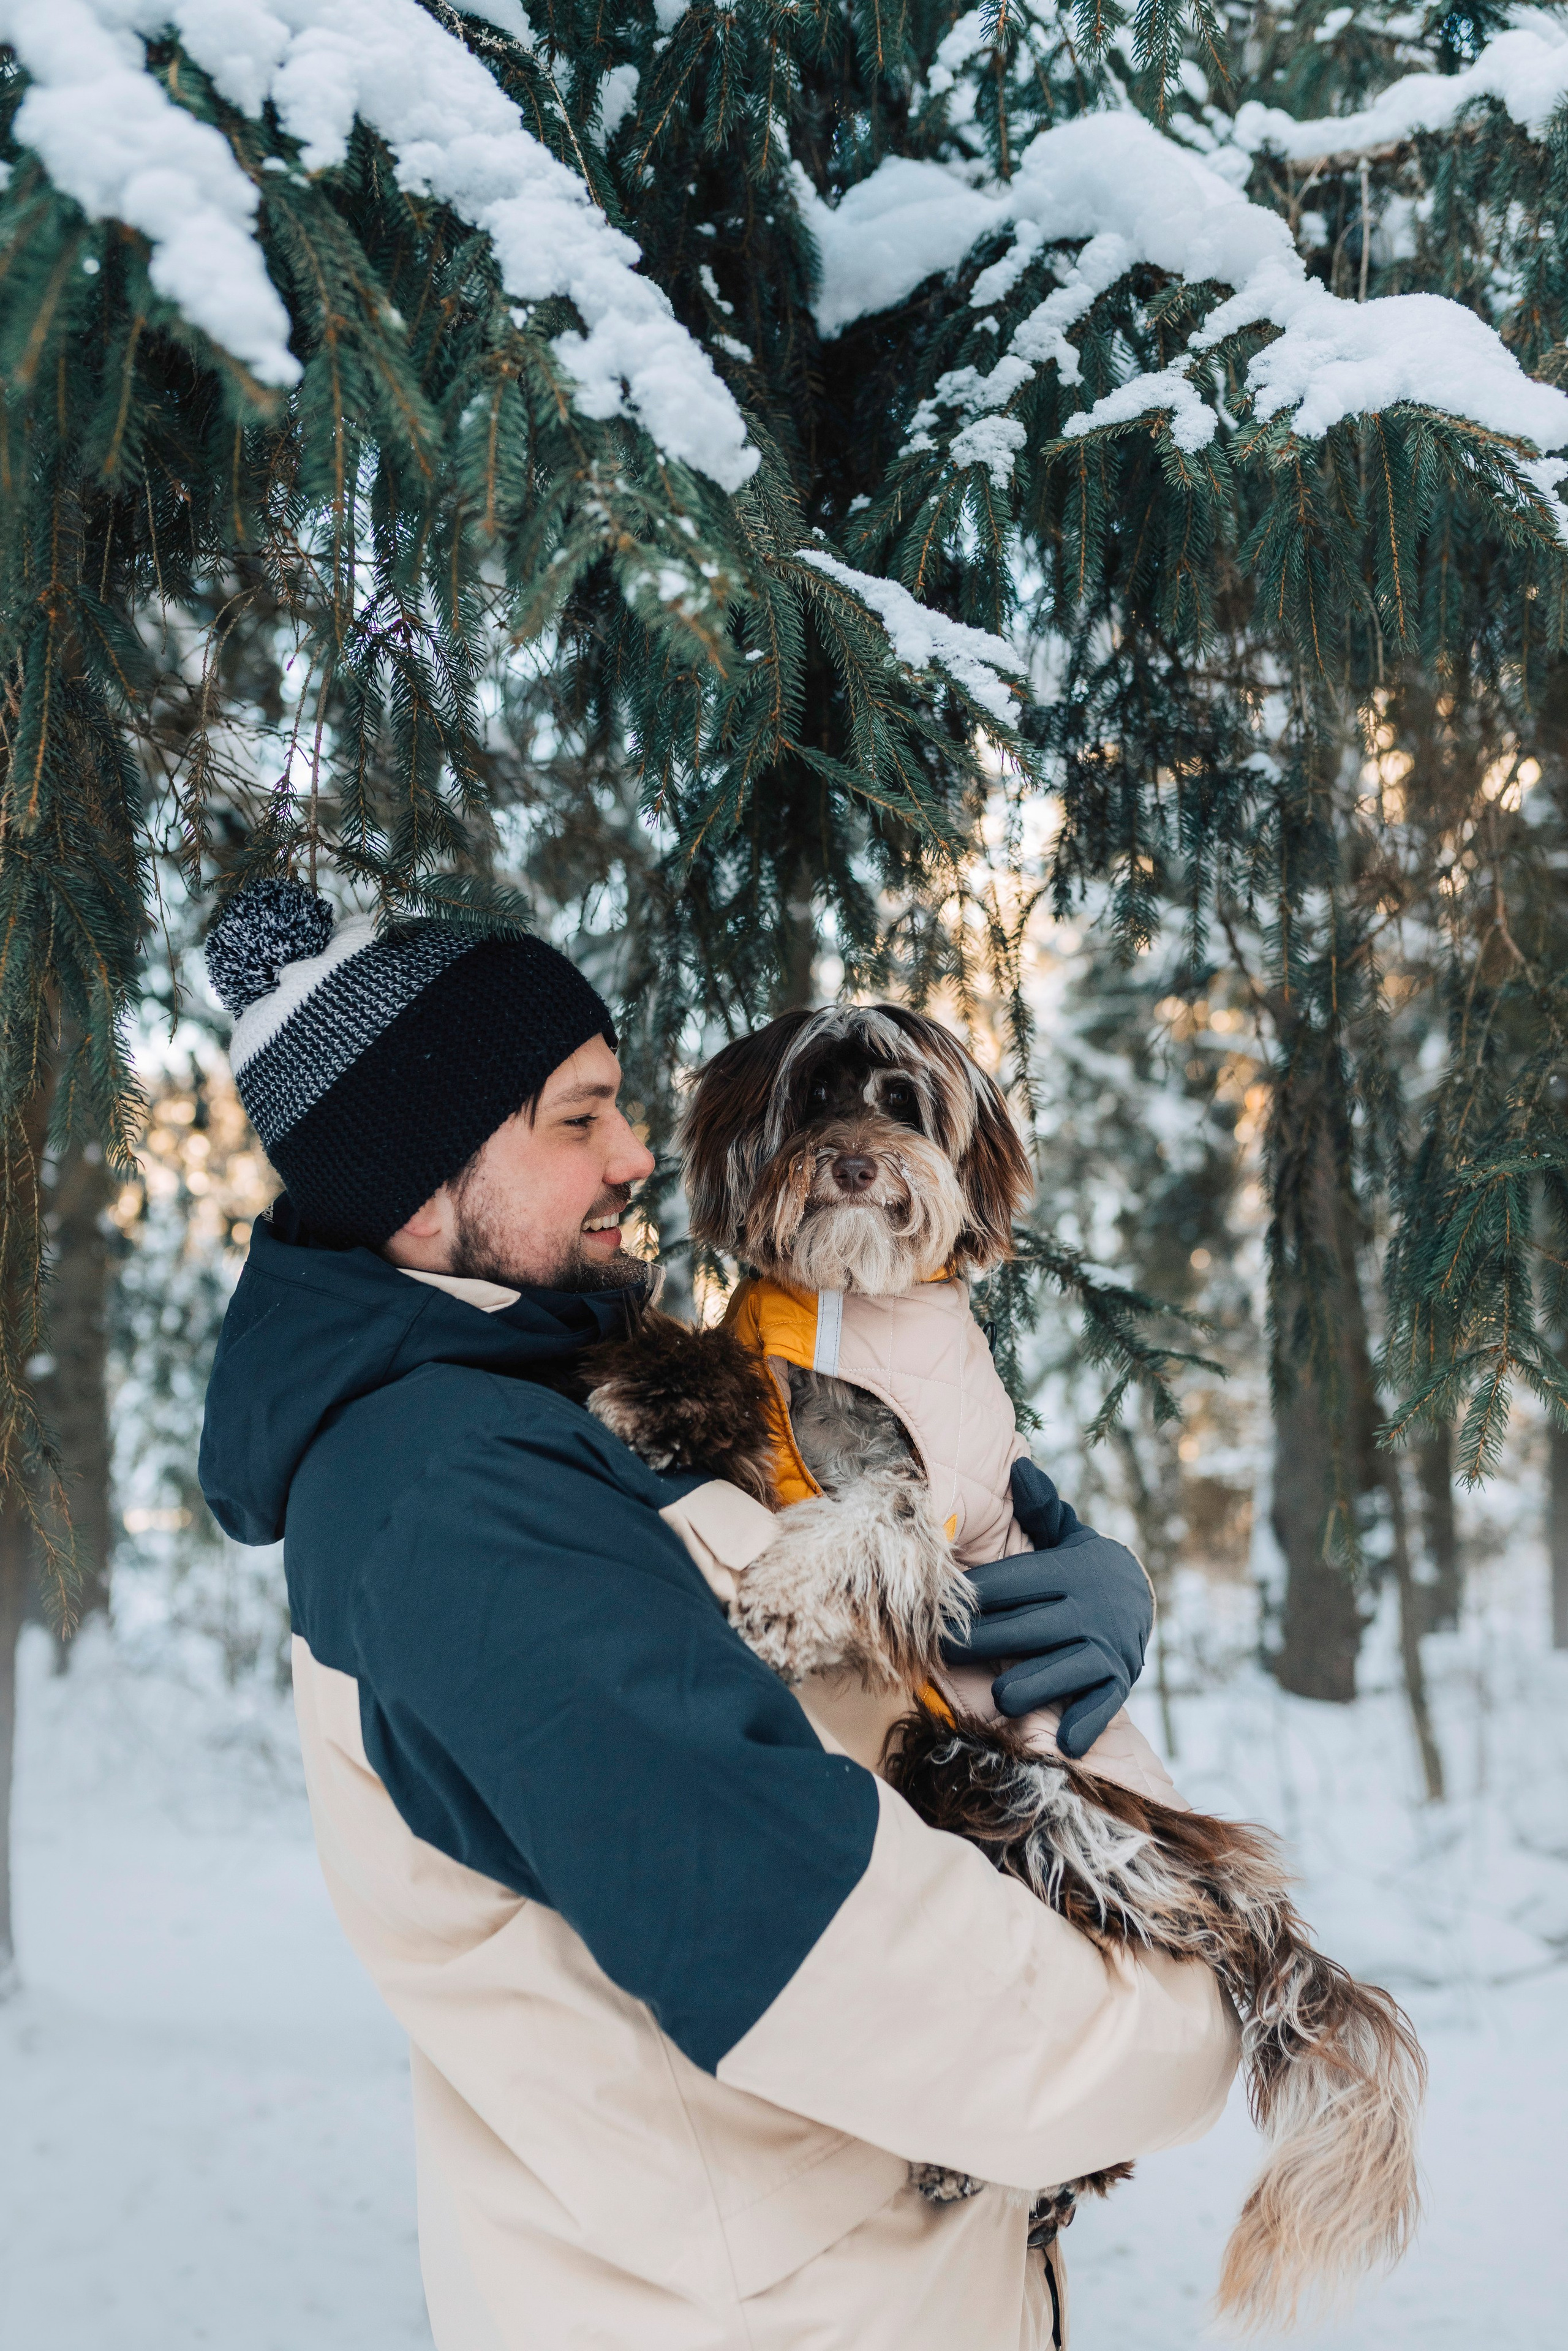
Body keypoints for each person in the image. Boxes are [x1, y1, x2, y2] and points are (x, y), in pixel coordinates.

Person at [198, 883, 1238, 2351]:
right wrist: (1189, 2011)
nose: (637, 1155)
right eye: (578, 1119)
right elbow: (821, 1944)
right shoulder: (450, 1497)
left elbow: (859, 1673)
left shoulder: (556, 1414)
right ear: (421, 1189)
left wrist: (1031, 1603)